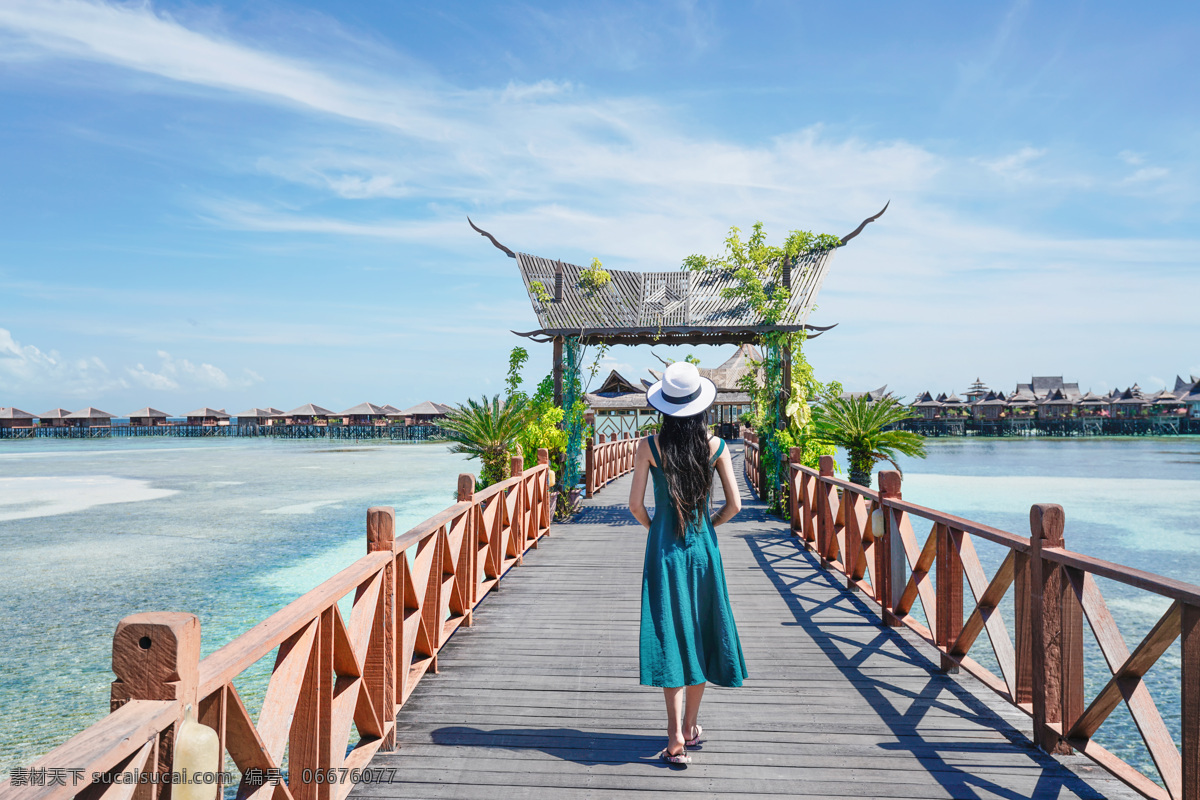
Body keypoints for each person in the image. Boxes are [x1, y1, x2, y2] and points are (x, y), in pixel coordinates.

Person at [628, 361, 747, 766]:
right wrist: (706, 526)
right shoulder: (716, 446)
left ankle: (674, 734)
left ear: (664, 406)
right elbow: (735, 505)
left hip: (664, 551)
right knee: (699, 633)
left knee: (671, 637)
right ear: (700, 406)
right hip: (702, 552)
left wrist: (658, 528)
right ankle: (692, 726)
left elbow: (634, 506)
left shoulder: (648, 446)